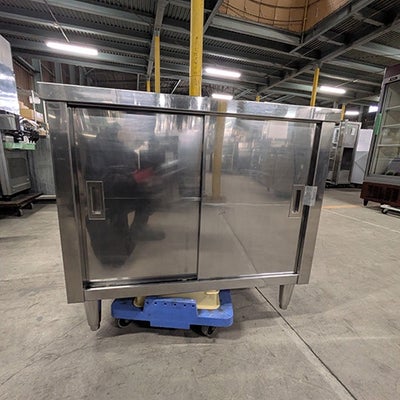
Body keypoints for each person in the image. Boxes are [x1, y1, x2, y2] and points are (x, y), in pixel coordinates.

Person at [85, 122, 165, 266]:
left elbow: (128, 169)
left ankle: (138, 230)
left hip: (121, 189)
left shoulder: (121, 147)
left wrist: (144, 178)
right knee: (115, 260)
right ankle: (126, 233)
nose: (136, 138)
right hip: (107, 198)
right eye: (134, 133)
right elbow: (100, 181)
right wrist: (134, 178)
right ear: (122, 130)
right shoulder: (97, 147)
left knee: (150, 195)